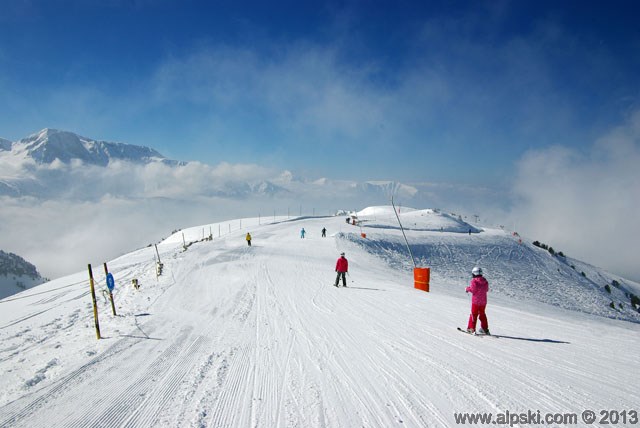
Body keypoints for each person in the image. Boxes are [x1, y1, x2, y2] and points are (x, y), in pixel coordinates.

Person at [465, 267, 490, 334]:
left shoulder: (474, 281)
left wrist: (467, 289)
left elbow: (473, 290)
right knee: (482, 314)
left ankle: (471, 328)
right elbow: (486, 290)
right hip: (483, 302)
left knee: (474, 314)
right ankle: (485, 329)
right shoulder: (485, 281)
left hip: (475, 302)